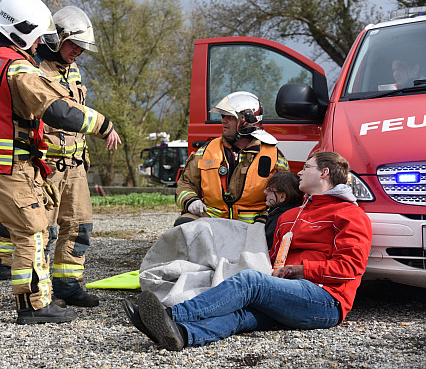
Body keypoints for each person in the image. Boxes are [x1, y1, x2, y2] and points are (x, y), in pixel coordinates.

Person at [0, 0, 118, 325]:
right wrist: (103, 124)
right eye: (36, 37)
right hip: (6, 165)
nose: (38, 45)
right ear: (21, 31)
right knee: (32, 231)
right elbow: (59, 112)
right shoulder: (17, 66)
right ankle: (34, 306)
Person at [122, 151, 372, 351]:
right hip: (286, 295)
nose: (299, 172)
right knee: (240, 316)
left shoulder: (350, 215)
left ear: (324, 173)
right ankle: (181, 335)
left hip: (326, 301)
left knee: (251, 282)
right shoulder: (290, 216)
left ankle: (169, 315)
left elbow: (350, 269)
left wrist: (299, 269)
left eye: (307, 167)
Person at [0, 6, 119, 308]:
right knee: (39, 229)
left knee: (79, 226)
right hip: (45, 165)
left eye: (82, 47)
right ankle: (38, 291)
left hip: (75, 164)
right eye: (74, 44)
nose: (79, 52)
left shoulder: (72, 70)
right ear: (55, 38)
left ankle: (68, 285)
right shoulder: (32, 67)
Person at [174, 91, 289, 227]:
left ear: (246, 120)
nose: (223, 121)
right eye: (223, 116)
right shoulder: (207, 150)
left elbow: (284, 198)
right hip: (211, 221)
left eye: (229, 117)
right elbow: (186, 183)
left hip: (254, 226)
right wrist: (190, 200)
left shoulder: (273, 156)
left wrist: (265, 220)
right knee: (184, 225)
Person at [256, 171, 303, 249]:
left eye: (270, 190)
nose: (265, 192)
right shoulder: (277, 211)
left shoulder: (280, 219)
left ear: (282, 196)